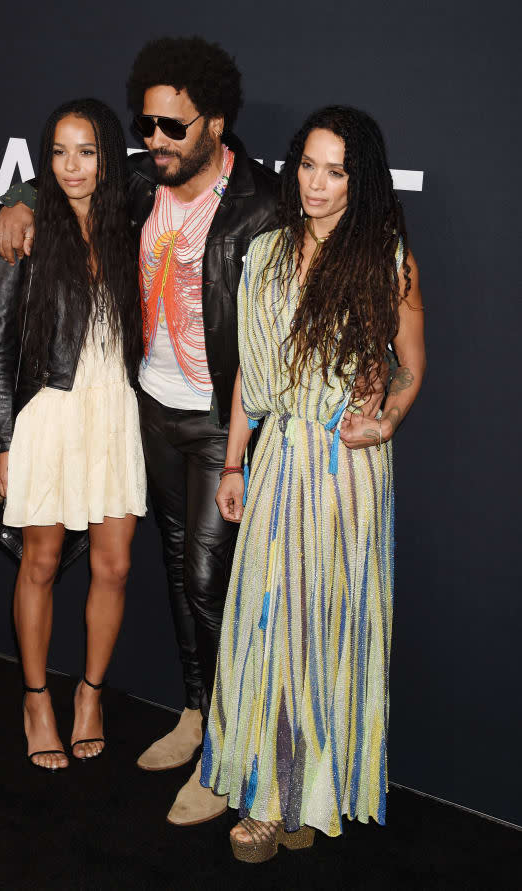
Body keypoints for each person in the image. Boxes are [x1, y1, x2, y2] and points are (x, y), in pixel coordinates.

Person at [0, 37, 280, 822]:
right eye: (145, 124)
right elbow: (66, 178)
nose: (153, 139)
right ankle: (192, 715)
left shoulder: (262, 200)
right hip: (145, 406)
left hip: (220, 419)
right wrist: (10, 200)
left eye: (172, 126)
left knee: (208, 583)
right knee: (176, 566)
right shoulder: (144, 183)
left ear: (214, 122)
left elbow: (320, 263)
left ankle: (226, 751)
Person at [201, 106, 426, 862]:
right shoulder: (264, 252)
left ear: (359, 180)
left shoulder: (385, 257)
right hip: (276, 461)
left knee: (324, 630)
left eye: (337, 170)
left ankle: (306, 792)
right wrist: (233, 462)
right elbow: (249, 378)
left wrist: (389, 417)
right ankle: (268, 796)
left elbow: (412, 366)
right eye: (308, 165)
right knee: (269, 628)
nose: (318, 184)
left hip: (345, 472)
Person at [0, 98, 145, 771]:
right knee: (41, 563)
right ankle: (36, 699)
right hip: (48, 414)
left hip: (114, 412)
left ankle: (90, 695)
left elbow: (176, 163)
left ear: (107, 157)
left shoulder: (129, 219)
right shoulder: (26, 232)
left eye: (86, 151)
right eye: (57, 152)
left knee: (114, 564)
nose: (71, 166)